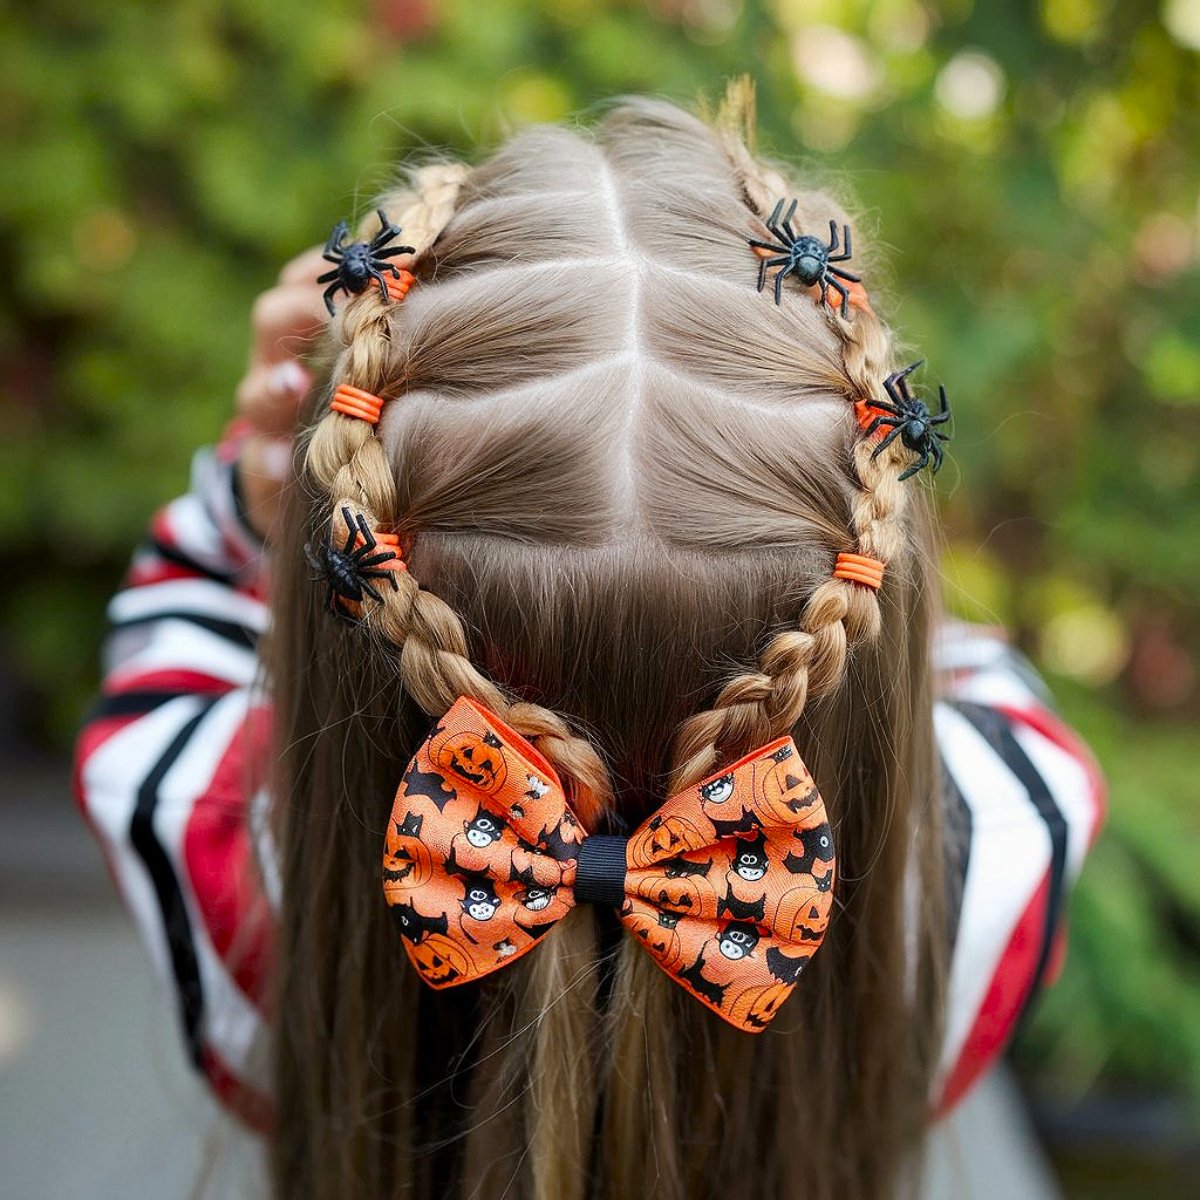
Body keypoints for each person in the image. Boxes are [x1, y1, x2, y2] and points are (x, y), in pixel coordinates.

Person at [73, 87, 1105, 1200]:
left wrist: (250, 478)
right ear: (872, 573)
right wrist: (852, 589)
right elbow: (967, 670)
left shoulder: (195, 817)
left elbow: (174, 621)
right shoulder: (1009, 833)